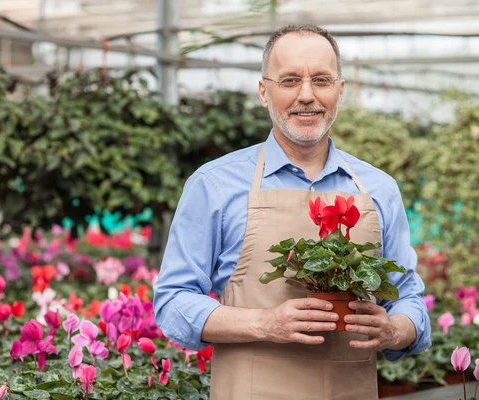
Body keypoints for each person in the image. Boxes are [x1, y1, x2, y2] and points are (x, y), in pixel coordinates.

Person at [153, 24, 431, 400]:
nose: (306, 95)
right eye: (289, 80)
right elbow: (173, 302)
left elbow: (409, 300)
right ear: (264, 91)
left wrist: (395, 330)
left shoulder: (379, 188)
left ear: (340, 91)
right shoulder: (214, 184)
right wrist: (265, 323)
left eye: (321, 79)